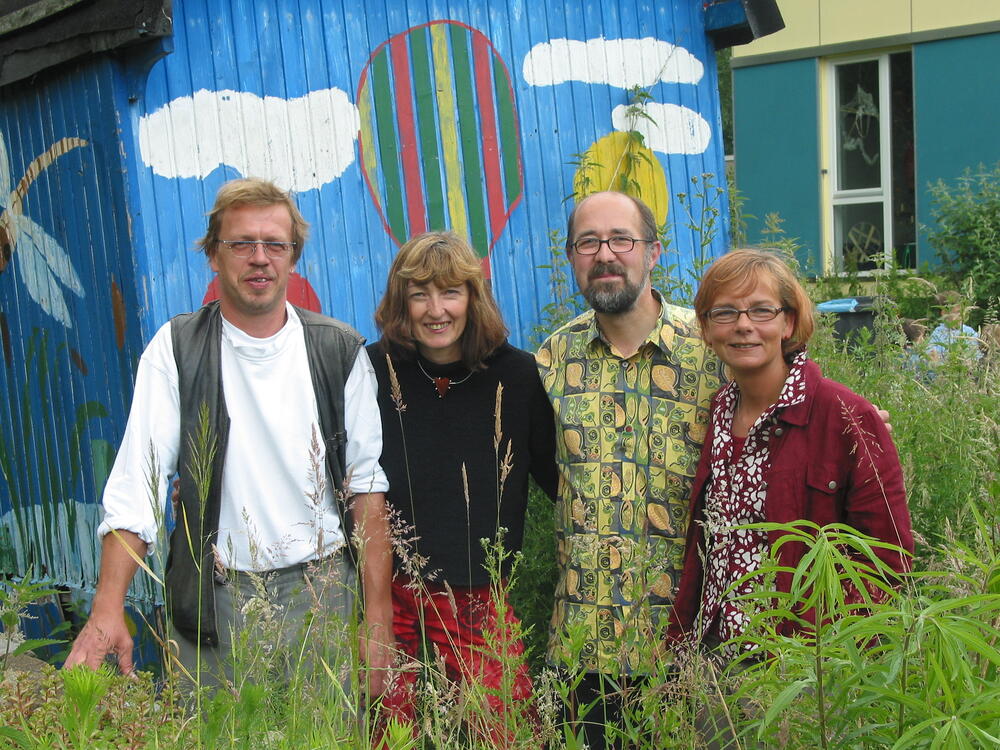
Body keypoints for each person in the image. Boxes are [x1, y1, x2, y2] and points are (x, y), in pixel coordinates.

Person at [64, 178, 394, 696]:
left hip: (323, 594)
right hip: (212, 599)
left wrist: (377, 618)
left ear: (292, 257)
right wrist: (108, 609)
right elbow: (137, 488)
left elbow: (367, 492)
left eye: (274, 245)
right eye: (241, 243)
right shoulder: (176, 350)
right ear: (214, 255)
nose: (259, 258)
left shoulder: (339, 351)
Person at [535, 191, 722, 749]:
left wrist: (853, 420)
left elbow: (790, 413)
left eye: (622, 239)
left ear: (654, 252)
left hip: (688, 642)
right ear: (571, 257)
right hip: (582, 647)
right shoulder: (551, 361)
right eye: (588, 242)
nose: (606, 254)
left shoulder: (713, 348)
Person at [670, 248, 913, 652]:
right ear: (707, 329)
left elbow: (888, 558)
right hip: (711, 658)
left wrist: (828, 655)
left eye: (761, 310)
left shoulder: (845, 415)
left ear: (789, 322)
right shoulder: (719, 411)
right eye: (725, 312)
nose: (743, 326)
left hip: (796, 667)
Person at [368, 232, 558, 744]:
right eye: (420, 294)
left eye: (450, 292)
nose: (436, 309)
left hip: (477, 595)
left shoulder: (515, 375)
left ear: (473, 299)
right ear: (400, 301)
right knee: (392, 733)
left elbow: (558, 477)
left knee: (505, 730)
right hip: (392, 592)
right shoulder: (372, 369)